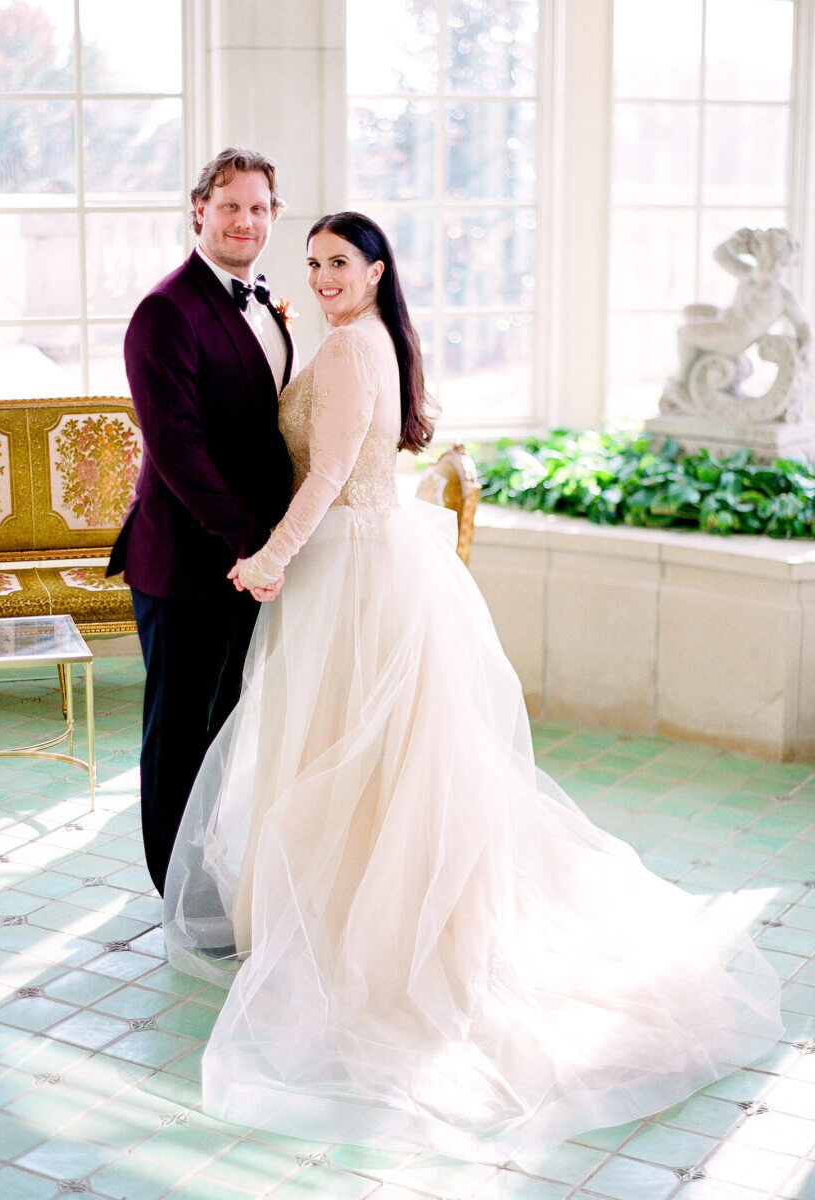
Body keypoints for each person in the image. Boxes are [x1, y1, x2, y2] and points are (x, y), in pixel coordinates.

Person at [163, 212, 782, 1165]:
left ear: (376, 271)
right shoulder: (366, 340)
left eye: (341, 263)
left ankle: (360, 928)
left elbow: (329, 471)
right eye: (315, 261)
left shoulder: (346, 354)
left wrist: (271, 557)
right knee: (367, 747)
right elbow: (369, 456)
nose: (323, 276)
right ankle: (348, 906)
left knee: (352, 745)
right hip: (373, 558)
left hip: (347, 568)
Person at [107, 147, 294, 896]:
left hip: (246, 564)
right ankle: (176, 893)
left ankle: (210, 871)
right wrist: (258, 543)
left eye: (258, 208)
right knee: (180, 738)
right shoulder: (165, 310)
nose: (244, 220)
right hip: (186, 563)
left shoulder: (264, 302)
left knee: (224, 733)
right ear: (198, 211)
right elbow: (177, 449)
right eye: (229, 206)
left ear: (274, 216)